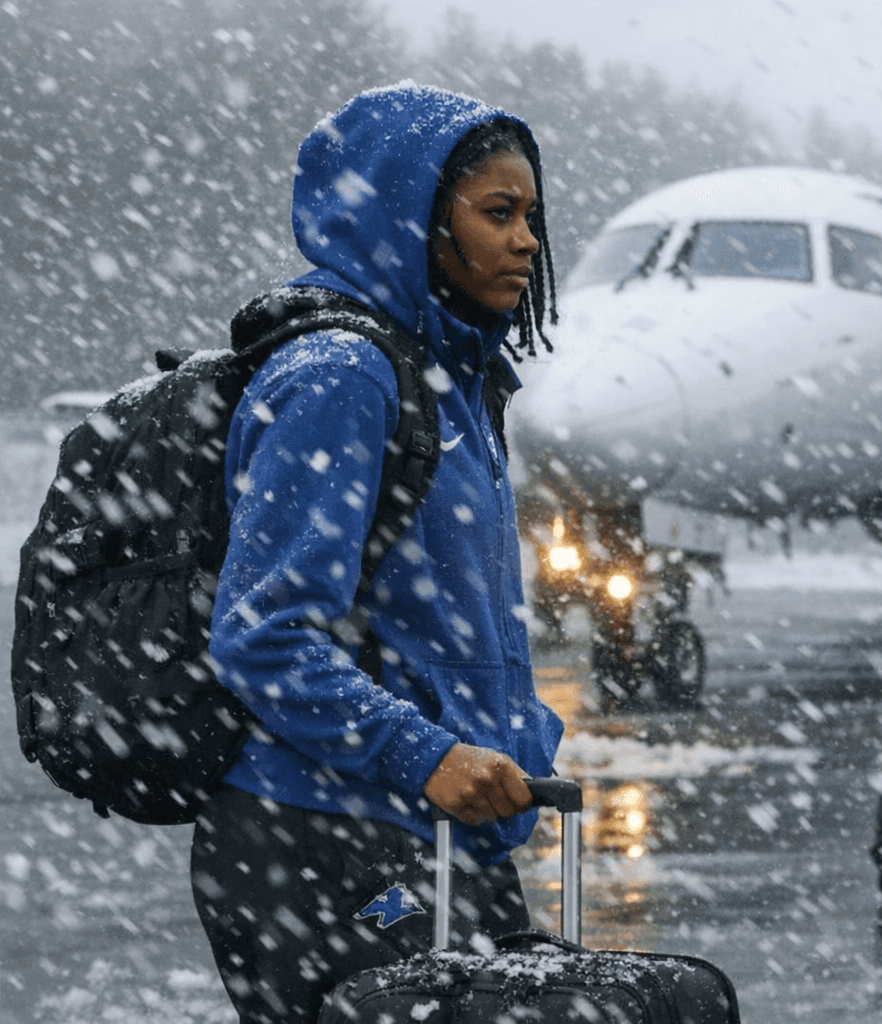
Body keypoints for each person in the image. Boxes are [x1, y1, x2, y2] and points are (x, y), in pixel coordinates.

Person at [191, 83, 565, 1023]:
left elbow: (443, 618)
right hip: (328, 837)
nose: (527, 241)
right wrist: (423, 750)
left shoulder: (459, 380)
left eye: (531, 217)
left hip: (437, 830)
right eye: (497, 214)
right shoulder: (342, 376)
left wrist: (522, 738)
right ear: (412, 218)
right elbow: (264, 634)